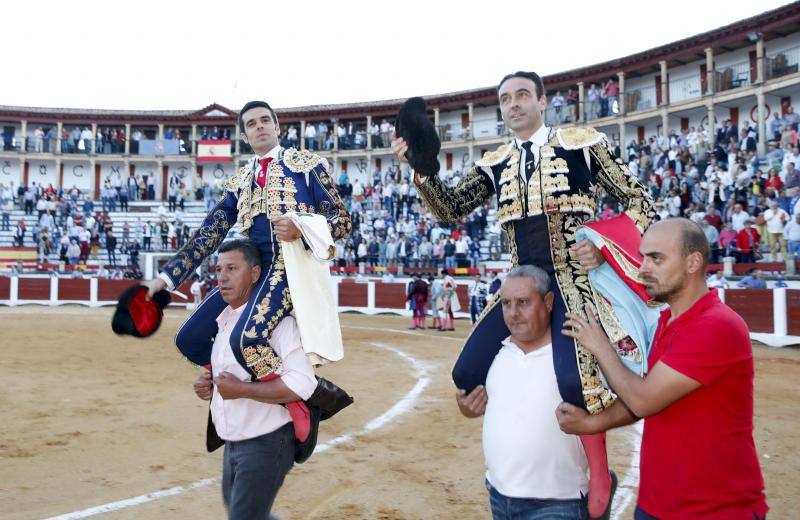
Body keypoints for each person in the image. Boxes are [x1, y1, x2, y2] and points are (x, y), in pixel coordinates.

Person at [393, 70, 653, 518]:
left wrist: (605, 246)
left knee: (576, 383)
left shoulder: (582, 144)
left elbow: (639, 201)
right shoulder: (495, 162)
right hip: (521, 287)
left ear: (541, 100)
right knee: (467, 370)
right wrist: (419, 169)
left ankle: (598, 476)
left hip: (575, 281)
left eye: (522, 95)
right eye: (506, 98)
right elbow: (449, 210)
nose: (513, 104)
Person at [142, 100, 350, 426]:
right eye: (251, 124)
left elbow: (342, 220)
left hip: (290, 271)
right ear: (244, 136)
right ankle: (259, 386)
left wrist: (302, 227)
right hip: (251, 273)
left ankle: (308, 396)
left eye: (265, 120)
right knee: (190, 339)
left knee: (247, 339)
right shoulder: (240, 181)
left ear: (278, 127)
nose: (260, 127)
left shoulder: (307, 165)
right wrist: (166, 279)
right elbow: (208, 235)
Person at [556, 218, 768, 519]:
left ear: (693, 262)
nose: (643, 268)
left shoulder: (716, 326)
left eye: (656, 258)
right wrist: (592, 424)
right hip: (657, 504)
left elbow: (643, 398)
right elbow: (649, 400)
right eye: (643, 257)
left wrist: (600, 345)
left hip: (716, 509)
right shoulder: (667, 323)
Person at [192, 239, 317, 518]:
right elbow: (229, 378)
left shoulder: (279, 324)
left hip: (268, 439)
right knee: (245, 512)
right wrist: (210, 386)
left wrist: (241, 389)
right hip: (233, 438)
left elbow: (302, 384)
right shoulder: (224, 321)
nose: (222, 277)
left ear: (256, 273)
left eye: (232, 268)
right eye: (219, 268)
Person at [457, 265, 591, 519]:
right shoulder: (494, 354)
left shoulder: (573, 356)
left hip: (558, 503)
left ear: (548, 302)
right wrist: (466, 408)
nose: (513, 313)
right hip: (498, 493)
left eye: (523, 302)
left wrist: (593, 421)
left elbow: (629, 403)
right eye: (506, 303)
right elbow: (475, 404)